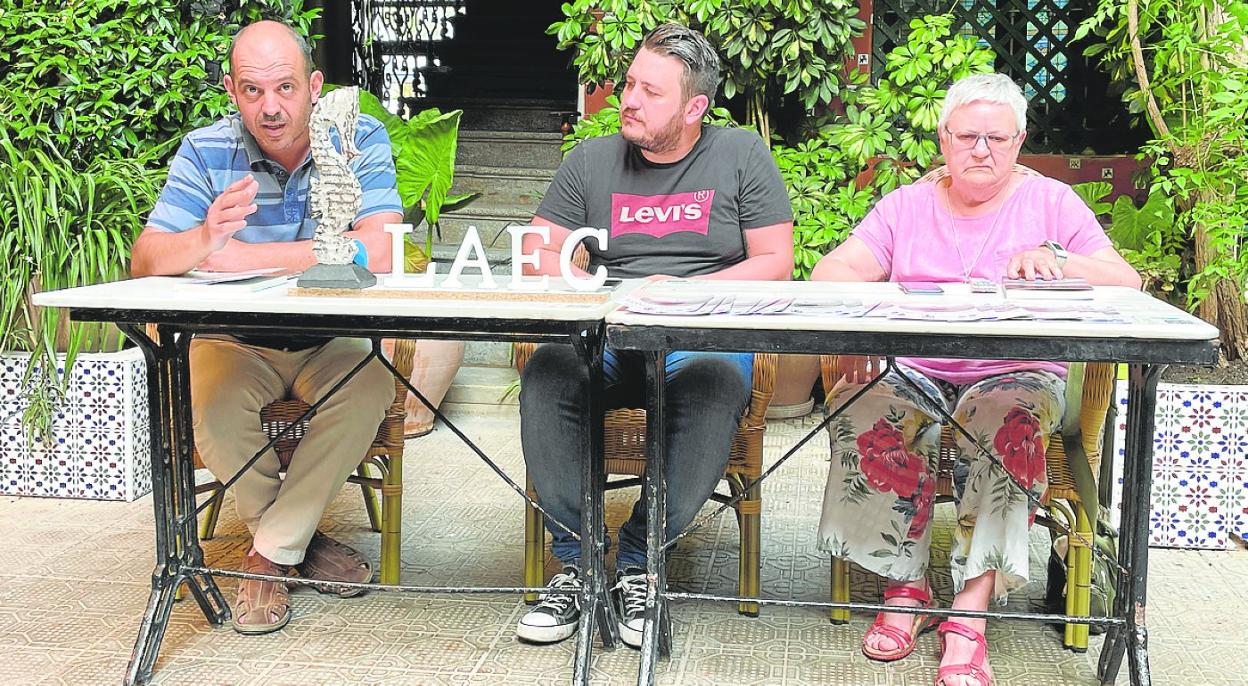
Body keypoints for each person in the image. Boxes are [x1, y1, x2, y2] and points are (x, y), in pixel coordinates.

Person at [810, 73, 1140, 686]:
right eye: (967, 136)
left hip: (1014, 372)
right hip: (916, 370)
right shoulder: (906, 204)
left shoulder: (1052, 203)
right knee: (863, 405)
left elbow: (1128, 281)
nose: (981, 150)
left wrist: (1062, 261)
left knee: (1008, 421)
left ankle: (969, 612)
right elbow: (834, 270)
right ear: (943, 139)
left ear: (1019, 142)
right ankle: (904, 584)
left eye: (996, 137)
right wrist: (858, 324)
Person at [515, 23, 794, 648]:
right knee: (550, 370)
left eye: (651, 91)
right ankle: (580, 567)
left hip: (697, 334)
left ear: (694, 108)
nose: (629, 100)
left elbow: (775, 259)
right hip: (610, 334)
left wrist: (686, 293)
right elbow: (540, 244)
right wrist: (575, 272)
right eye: (630, 84)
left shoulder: (740, 154)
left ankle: (641, 563)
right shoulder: (590, 160)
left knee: (714, 379)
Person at [130, 20, 402, 635]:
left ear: (314, 85)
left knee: (368, 387)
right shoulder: (206, 150)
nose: (271, 107)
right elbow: (146, 259)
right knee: (215, 398)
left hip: (330, 339)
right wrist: (203, 237)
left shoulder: (357, 135)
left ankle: (265, 557)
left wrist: (243, 257)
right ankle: (290, 547)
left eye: (284, 88)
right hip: (236, 339)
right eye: (253, 91)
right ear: (231, 90)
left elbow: (380, 249)